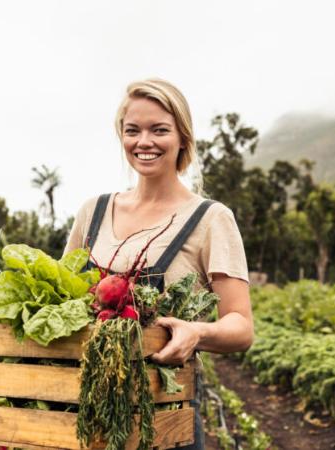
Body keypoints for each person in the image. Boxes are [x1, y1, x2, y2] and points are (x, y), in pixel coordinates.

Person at [64, 78, 254, 449]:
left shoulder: (210, 219)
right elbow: (60, 298)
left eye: (159, 130)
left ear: (182, 137)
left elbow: (242, 326)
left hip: (164, 413)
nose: (144, 142)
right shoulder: (93, 213)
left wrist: (197, 332)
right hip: (84, 409)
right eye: (132, 130)